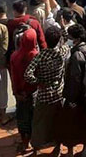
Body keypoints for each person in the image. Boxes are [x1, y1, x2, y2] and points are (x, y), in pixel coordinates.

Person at [25, 24, 69, 154]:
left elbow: (27, 74)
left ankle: (36, 149)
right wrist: (62, 26)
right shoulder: (63, 51)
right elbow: (66, 38)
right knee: (58, 121)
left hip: (44, 94)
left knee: (39, 123)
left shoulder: (40, 56)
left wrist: (38, 82)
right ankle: (58, 147)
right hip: (59, 93)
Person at [62, 23, 86, 156]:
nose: (68, 40)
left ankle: (70, 150)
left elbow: (75, 79)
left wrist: (71, 99)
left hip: (78, 95)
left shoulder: (77, 55)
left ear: (76, 39)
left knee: (71, 123)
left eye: (70, 37)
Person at [9, 25, 39, 155]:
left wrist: (16, 92)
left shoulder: (15, 56)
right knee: (34, 118)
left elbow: (14, 76)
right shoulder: (37, 56)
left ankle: (24, 141)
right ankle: (35, 142)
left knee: (22, 118)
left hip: (21, 94)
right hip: (35, 92)